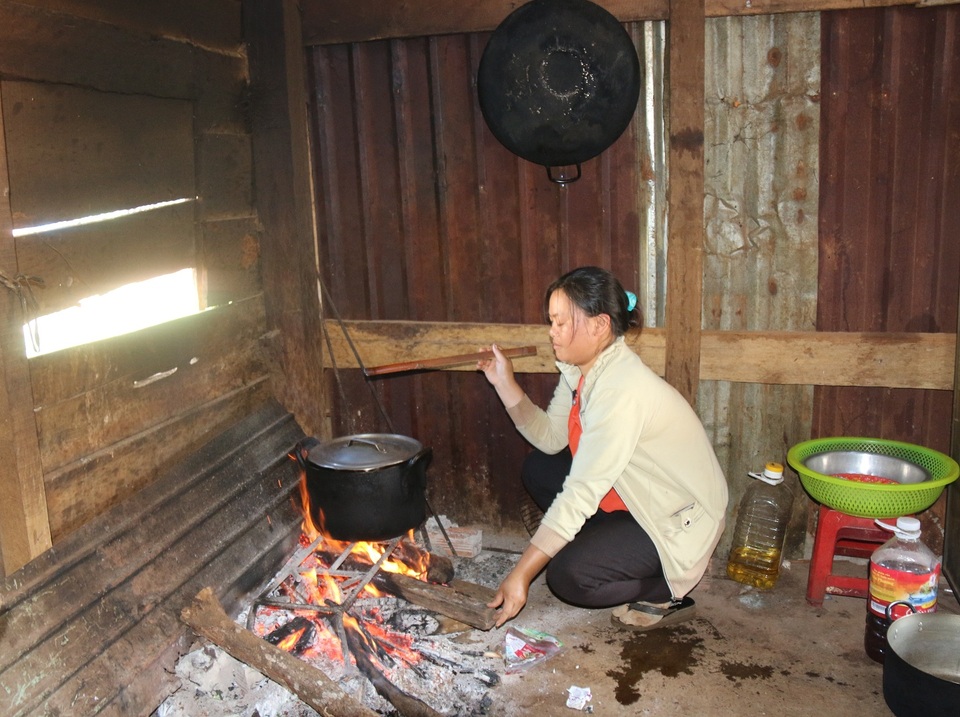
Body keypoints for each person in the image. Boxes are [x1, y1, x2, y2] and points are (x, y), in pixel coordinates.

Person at [477, 266, 728, 630]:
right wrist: (503, 382)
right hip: (636, 496)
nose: (552, 332)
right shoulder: (582, 370)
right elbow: (551, 438)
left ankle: (667, 588)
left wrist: (521, 574)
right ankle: (601, 546)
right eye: (551, 322)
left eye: (562, 323)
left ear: (599, 326)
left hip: (674, 519)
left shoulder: (621, 390)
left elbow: (580, 492)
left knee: (568, 577)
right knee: (540, 468)